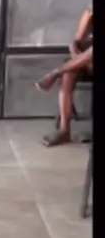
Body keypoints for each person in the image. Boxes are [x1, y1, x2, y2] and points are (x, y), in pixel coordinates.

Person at [35, 8, 93, 146]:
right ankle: (64, 131)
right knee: (68, 74)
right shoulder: (90, 13)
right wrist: (75, 54)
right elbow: (76, 41)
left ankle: (55, 72)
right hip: (86, 63)